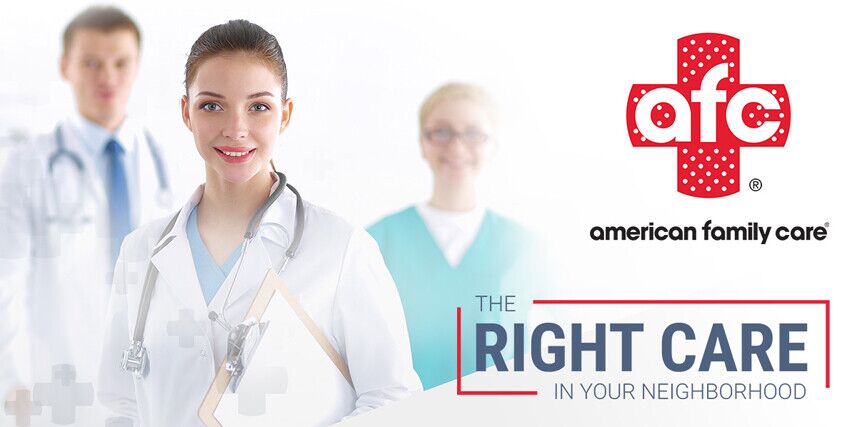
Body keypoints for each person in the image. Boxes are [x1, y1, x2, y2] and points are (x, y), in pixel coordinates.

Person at [97, 20, 420, 425]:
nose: (236, 129)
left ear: (284, 115)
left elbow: (394, 401)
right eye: (212, 105)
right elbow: (117, 405)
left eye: (259, 106)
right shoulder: (140, 252)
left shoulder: (340, 249)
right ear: (186, 112)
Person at [0, 6, 173, 425]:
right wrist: (12, 380)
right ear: (66, 66)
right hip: (59, 381)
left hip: (150, 382)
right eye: (91, 63)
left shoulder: (164, 160)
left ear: (137, 67)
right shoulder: (27, 166)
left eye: (120, 63)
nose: (107, 77)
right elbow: (6, 281)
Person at [368, 82, 549, 390]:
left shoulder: (525, 247)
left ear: (494, 145)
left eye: (474, 134)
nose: (457, 147)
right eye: (441, 132)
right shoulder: (377, 242)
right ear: (422, 143)